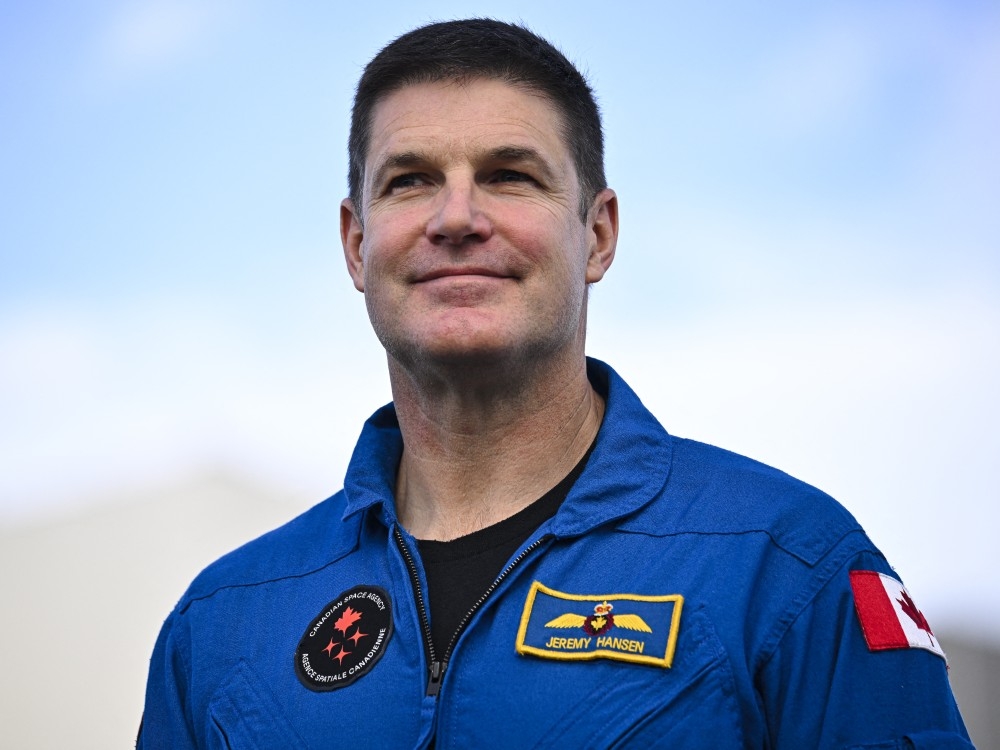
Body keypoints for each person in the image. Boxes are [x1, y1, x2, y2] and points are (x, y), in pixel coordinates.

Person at [139, 19, 973, 749]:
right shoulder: (222, 623)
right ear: (357, 245)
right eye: (410, 179)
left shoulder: (788, 568)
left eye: (510, 175)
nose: (456, 217)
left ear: (598, 235)